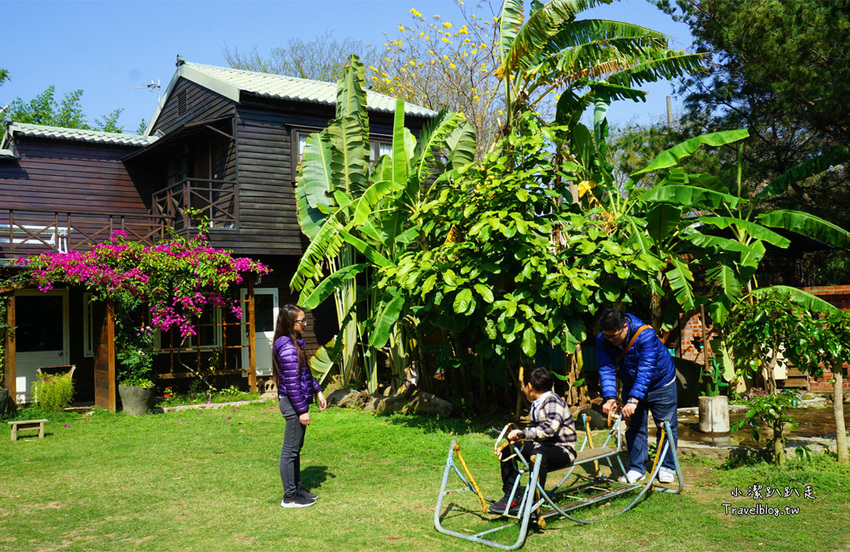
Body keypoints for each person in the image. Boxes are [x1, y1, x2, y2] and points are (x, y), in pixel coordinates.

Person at [596, 308, 678, 484]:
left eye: (615, 336)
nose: (611, 340)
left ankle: (666, 467)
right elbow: (606, 367)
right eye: (607, 336)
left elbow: (646, 369)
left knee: (666, 426)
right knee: (634, 425)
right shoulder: (603, 339)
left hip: (661, 382)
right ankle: (636, 468)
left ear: (625, 326)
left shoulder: (645, 334)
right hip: (632, 383)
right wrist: (610, 397)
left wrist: (633, 400)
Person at [492, 367, 576, 515]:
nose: (523, 389)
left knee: (538, 454)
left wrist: (524, 433)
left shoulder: (552, 400)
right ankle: (511, 496)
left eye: (523, 385)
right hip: (543, 446)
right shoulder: (538, 402)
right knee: (508, 448)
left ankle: (533, 502)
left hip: (562, 450)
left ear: (529, 386)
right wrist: (519, 436)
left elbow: (550, 429)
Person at [273, 304, 327, 508]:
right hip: (293, 404)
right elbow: (293, 383)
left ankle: (296, 488)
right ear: (290, 323)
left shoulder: (293, 343)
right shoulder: (287, 346)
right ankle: (290, 497)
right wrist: (302, 410)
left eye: (305, 320)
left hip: (296, 402)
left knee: (295, 449)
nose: (305, 324)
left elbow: (304, 374)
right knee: (290, 451)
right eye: (301, 321)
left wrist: (318, 390)